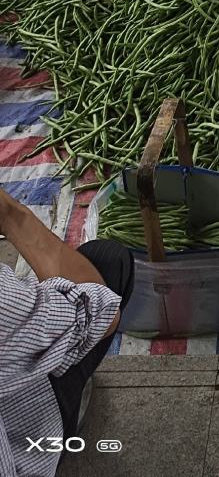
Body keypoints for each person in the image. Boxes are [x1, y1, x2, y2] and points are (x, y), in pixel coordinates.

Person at [0, 186, 134, 476]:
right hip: (19, 456)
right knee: (108, 262)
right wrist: (11, 215)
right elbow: (101, 310)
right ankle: (61, 427)